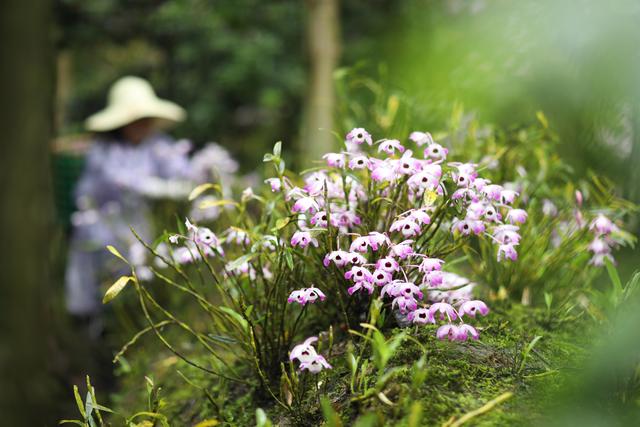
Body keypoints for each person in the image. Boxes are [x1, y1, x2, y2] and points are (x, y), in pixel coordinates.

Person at [65, 76, 194, 333]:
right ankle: (92, 332)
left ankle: (131, 326)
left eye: (145, 119)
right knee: (97, 286)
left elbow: (182, 175)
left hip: (139, 226)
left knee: (138, 278)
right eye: (135, 120)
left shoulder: (159, 145)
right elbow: (117, 181)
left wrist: (179, 186)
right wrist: (156, 187)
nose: (141, 125)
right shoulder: (103, 150)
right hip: (100, 226)